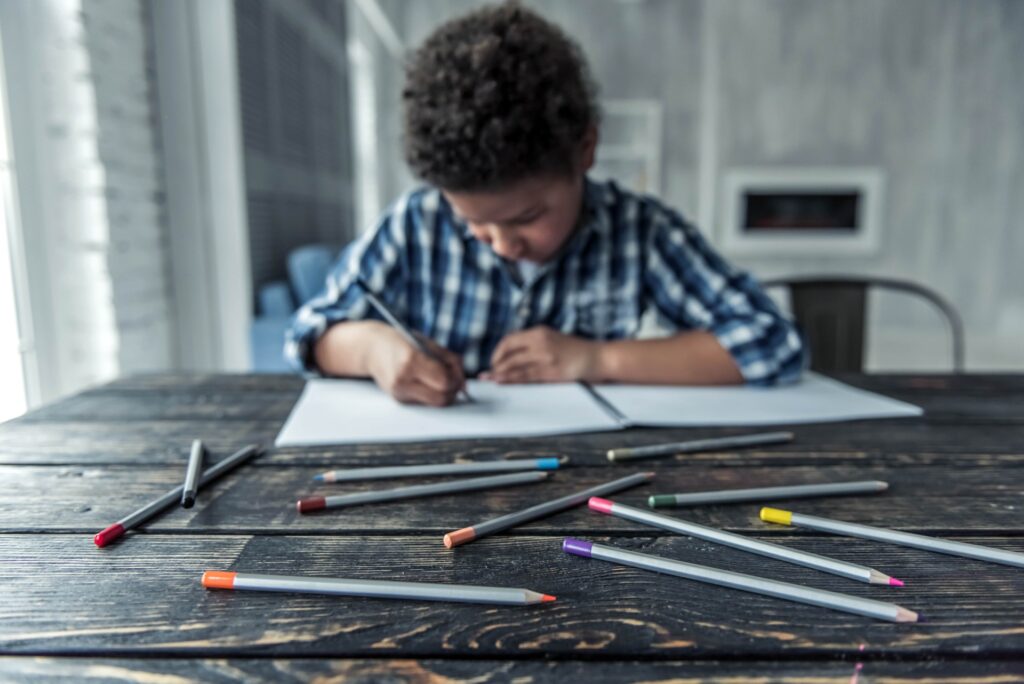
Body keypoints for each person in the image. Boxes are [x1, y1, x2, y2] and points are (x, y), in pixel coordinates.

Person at [286, 2, 805, 407]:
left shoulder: (638, 232)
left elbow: (771, 342)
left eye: (527, 218)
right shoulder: (414, 226)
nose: (504, 245)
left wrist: (597, 358)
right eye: (474, 224)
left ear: (585, 150)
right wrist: (375, 349)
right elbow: (308, 336)